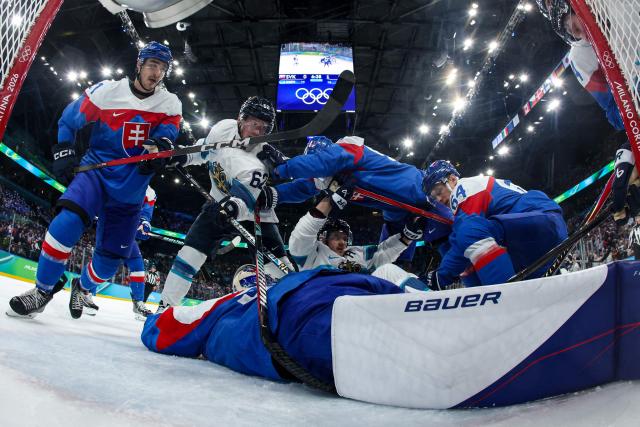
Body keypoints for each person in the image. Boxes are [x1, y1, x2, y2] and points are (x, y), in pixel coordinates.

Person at [6, 41, 181, 319]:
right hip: (95, 173)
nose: (156, 72)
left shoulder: (170, 104)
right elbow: (68, 120)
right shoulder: (107, 92)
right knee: (66, 222)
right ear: (139, 65)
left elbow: (168, 135)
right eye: (151, 65)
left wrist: (159, 149)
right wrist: (64, 148)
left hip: (131, 188)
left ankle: (82, 287)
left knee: (108, 265)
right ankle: (41, 291)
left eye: (162, 67)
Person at [142, 265, 403, 386]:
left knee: (325, 335)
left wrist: (153, 319)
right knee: (390, 283)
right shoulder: (275, 285)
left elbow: (172, 325)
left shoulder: (229, 301)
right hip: (324, 282)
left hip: (287, 325)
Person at [158, 97, 293, 312]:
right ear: (241, 119)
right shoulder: (223, 128)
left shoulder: (259, 162)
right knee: (190, 252)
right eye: (254, 124)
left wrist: (233, 207)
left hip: (255, 215)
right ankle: (165, 308)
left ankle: (293, 311)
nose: (259, 132)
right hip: (217, 202)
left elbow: (245, 199)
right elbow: (204, 150)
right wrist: (181, 156)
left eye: (264, 128)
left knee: (280, 268)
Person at [262, 135, 453, 266]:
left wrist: (283, 168)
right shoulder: (332, 175)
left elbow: (323, 163)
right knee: (391, 266)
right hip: (396, 212)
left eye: (315, 163)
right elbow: (304, 186)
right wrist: (272, 195)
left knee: (455, 231)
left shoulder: (346, 149)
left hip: (418, 191)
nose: (318, 175)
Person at [537, 0, 640, 225]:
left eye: (571, 21)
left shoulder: (625, 6)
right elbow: (614, 111)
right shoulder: (580, 57)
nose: (576, 32)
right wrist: (633, 142)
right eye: (567, 29)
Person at [422, 160, 568, 289]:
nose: (439, 199)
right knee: (467, 249)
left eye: (439, 191)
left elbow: (466, 233)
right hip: (533, 238)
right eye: (434, 197)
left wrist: (440, 276)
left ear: (452, 179)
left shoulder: (463, 187)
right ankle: (487, 303)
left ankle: (504, 299)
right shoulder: (471, 192)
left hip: (540, 221)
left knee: (468, 234)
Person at [288, 182, 428, 290]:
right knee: (388, 271)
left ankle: (435, 304)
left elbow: (383, 252)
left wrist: (407, 237)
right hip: (329, 296)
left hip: (362, 298)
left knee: (404, 275)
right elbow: (302, 234)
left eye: (344, 238)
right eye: (336, 237)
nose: (342, 242)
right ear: (324, 238)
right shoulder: (313, 254)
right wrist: (329, 200)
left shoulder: (357, 253)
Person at [122, 186, 157, 320]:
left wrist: (144, 222)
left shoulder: (150, 192)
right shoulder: (124, 175)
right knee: (106, 268)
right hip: (113, 226)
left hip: (127, 234)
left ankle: (138, 302)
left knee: (138, 266)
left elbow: (146, 213)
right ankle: (82, 287)